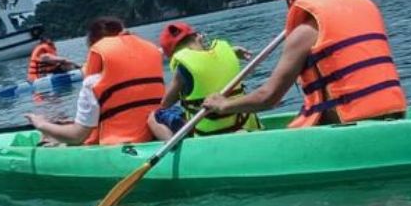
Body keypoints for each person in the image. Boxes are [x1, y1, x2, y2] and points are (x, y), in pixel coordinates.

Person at [204, 0, 407, 127]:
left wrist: (223, 105)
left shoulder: (304, 34)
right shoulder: (360, 10)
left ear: (292, 0)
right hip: (395, 113)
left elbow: (268, 97)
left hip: (351, 124)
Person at [25, 17, 163, 146]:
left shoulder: (93, 82)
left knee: (51, 139)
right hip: (155, 136)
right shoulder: (153, 63)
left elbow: (77, 137)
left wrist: (41, 124)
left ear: (93, 46)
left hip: (119, 145)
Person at [147, 21, 261, 141]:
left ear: (173, 53)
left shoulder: (183, 67)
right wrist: (232, 51)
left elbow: (165, 103)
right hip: (243, 123)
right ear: (198, 37)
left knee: (155, 116)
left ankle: (177, 150)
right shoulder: (226, 51)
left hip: (210, 133)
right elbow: (208, 61)